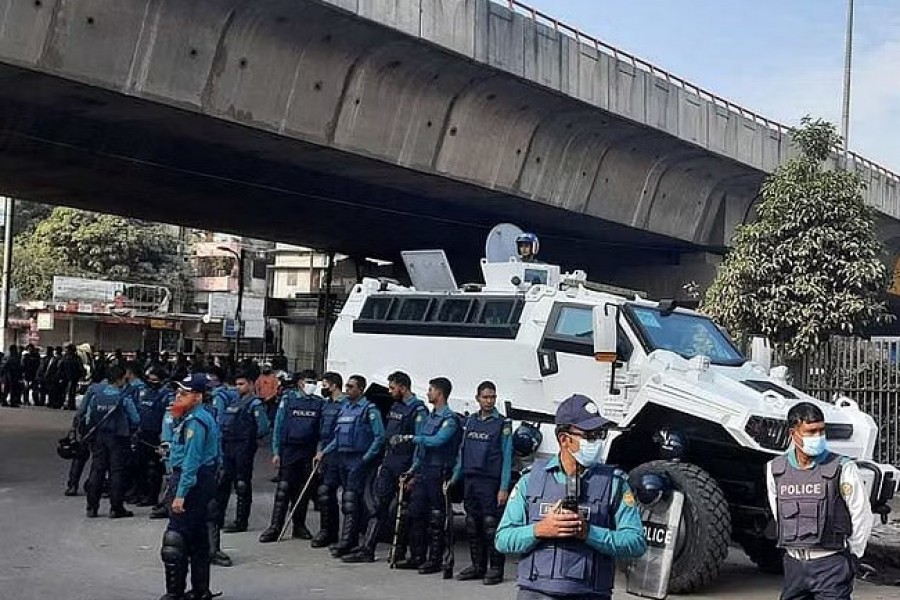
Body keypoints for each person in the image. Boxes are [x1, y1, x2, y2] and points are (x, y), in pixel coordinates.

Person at [496, 394, 646, 600]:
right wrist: (540, 530)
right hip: (537, 593)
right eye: (591, 435)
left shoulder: (615, 484)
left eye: (601, 433)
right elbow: (502, 539)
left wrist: (588, 532)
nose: (599, 440)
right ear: (565, 439)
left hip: (589, 594)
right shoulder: (530, 480)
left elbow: (636, 543)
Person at [767, 402, 873, 600]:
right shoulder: (775, 469)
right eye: (811, 432)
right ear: (793, 434)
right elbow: (778, 512)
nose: (818, 437)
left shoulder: (843, 467)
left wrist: (853, 556)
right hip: (794, 566)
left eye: (821, 431)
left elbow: (861, 515)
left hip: (830, 564)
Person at [340, 371, 427, 563]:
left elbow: (420, 444)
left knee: (404, 511)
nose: (390, 391)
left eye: (392, 387)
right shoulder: (395, 406)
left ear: (403, 387)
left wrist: (413, 470)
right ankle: (367, 549)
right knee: (379, 507)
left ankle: (401, 553)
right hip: (389, 464)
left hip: (405, 465)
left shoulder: (418, 410)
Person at [389, 377, 461, 573]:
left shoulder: (449, 419)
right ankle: (417, 556)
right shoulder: (430, 417)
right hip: (423, 471)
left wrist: (412, 437)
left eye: (431, 390)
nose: (428, 393)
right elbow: (422, 450)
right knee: (415, 514)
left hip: (439, 472)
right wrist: (412, 471)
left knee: (436, 518)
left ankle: (435, 560)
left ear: (439, 393)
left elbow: (437, 441)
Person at [159, 373, 221, 600]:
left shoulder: (195, 421)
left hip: (191, 481)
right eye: (178, 392)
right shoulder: (197, 417)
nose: (178, 397)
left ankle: (174, 594)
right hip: (200, 479)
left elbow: (192, 461)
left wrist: (181, 494)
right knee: (196, 538)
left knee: (175, 539)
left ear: (198, 396)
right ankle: (200, 590)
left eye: (184, 393)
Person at [447, 381, 513, 584]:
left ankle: (495, 569)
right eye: (485, 397)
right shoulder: (471, 422)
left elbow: (507, 457)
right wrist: (454, 478)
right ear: (477, 398)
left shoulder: (502, 424)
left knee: (490, 525)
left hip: (490, 481)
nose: (489, 401)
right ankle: (477, 566)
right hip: (471, 479)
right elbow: (462, 451)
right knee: (472, 524)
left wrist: (503, 487)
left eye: (492, 397)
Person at [315, 374, 384, 559]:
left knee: (351, 500)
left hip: (358, 459)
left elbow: (379, 437)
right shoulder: (345, 408)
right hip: (343, 458)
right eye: (347, 385)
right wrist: (324, 452)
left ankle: (348, 542)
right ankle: (348, 539)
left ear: (360, 389)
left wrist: (366, 458)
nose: (347, 388)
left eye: (351, 386)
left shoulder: (369, 410)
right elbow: (338, 437)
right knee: (347, 500)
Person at [259, 372, 323, 543]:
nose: (312, 385)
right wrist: (276, 452)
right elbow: (278, 426)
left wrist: (319, 450)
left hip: (308, 451)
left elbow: (322, 431)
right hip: (290, 450)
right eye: (309, 382)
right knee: (284, 489)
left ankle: (299, 526)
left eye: (314, 382)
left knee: (303, 490)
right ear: (300, 383)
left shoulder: (318, 404)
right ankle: (275, 527)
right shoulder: (288, 400)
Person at [78, 364, 141, 518]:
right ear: (120, 380)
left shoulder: (96, 394)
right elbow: (136, 419)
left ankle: (91, 507)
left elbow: (89, 416)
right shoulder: (123, 397)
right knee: (116, 472)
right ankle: (116, 508)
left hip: (99, 437)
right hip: (118, 438)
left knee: (96, 470)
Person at [215, 370, 269, 533]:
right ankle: (218, 518)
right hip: (229, 445)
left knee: (242, 484)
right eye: (237, 384)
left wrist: (250, 438)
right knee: (223, 482)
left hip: (244, 447)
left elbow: (263, 427)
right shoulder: (234, 401)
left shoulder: (255, 404)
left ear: (251, 384)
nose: (238, 387)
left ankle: (241, 521)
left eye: (242, 384)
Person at [310, 371, 346, 548]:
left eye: (325, 385)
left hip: (340, 453)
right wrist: (320, 451)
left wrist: (325, 451)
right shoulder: (326, 405)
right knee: (325, 494)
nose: (323, 388)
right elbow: (321, 431)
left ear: (334, 385)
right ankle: (328, 531)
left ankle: (342, 535)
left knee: (346, 497)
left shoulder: (345, 405)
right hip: (325, 453)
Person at [132, 365, 168, 506]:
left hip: (156, 435)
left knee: (154, 469)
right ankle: (140, 493)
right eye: (150, 379)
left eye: (155, 380)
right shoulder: (143, 393)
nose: (152, 382)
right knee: (138, 465)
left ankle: (152, 497)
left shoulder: (165, 395)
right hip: (142, 434)